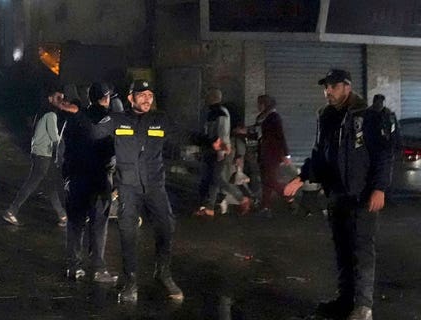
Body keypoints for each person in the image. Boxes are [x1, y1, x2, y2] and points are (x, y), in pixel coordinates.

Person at [60, 79, 184, 303]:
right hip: (126, 187)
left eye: (150, 94)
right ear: (130, 98)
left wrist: (211, 141)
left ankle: (163, 273)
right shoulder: (118, 120)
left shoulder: (159, 119)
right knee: (126, 233)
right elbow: (94, 133)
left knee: (166, 227)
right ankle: (130, 281)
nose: (147, 98)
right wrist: (77, 114)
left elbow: (183, 136)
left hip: (155, 186)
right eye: (141, 94)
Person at [284, 69, 395, 320]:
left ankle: (363, 306)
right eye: (325, 87)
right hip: (336, 193)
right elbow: (319, 154)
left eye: (333, 87)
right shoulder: (326, 117)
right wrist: (301, 178)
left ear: (347, 87)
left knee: (362, 249)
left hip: (362, 194)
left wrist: (379, 188)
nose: (328, 92)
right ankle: (345, 301)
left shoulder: (367, 115)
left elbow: (383, 154)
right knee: (343, 249)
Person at [60, 82, 118, 283]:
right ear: (107, 98)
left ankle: (73, 267)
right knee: (98, 224)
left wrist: (66, 176)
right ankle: (98, 268)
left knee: (75, 224)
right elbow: (115, 152)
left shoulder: (75, 118)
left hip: (76, 178)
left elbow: (63, 148)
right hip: (100, 179)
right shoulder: (110, 121)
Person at [2, 85, 67, 227]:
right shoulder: (51, 114)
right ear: (50, 98)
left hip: (40, 153)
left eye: (62, 98)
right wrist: (64, 148)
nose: (61, 100)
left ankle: (62, 215)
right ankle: (12, 210)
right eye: (58, 97)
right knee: (33, 183)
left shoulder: (43, 112)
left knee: (50, 185)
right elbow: (54, 137)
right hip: (43, 154)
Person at [196, 88, 251, 217]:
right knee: (213, 179)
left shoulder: (220, 112)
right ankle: (209, 208)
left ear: (213, 97)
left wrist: (221, 151)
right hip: (212, 149)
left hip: (219, 151)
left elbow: (222, 133)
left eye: (208, 96)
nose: (206, 98)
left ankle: (242, 198)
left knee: (217, 178)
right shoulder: (213, 112)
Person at [254, 94, 290, 216]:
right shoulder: (262, 118)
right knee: (266, 180)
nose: (258, 106)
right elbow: (258, 134)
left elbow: (280, 136)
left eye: (259, 104)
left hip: (272, 154)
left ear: (265, 104)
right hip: (264, 152)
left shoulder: (274, 117)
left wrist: (286, 154)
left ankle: (288, 195)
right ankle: (266, 206)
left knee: (270, 180)